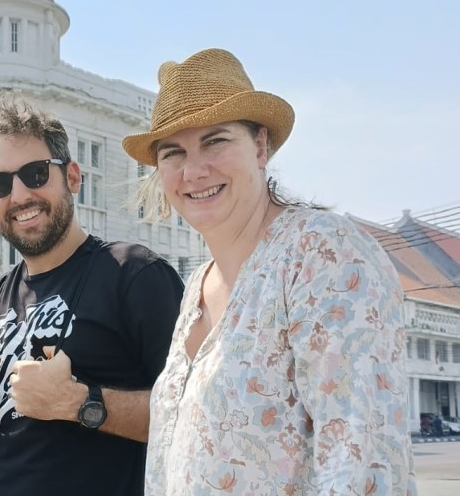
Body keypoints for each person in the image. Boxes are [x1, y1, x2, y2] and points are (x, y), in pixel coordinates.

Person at [123, 48, 417, 494]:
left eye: (215, 141)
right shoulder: (196, 288)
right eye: (172, 152)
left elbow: (362, 460)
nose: (194, 170)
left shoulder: (320, 253)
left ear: (260, 146)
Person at [0, 94, 184, 496]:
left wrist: (79, 402)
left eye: (36, 173)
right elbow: (0, 441)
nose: (21, 194)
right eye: (0, 182)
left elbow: (191, 417)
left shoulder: (134, 274)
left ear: (72, 177)